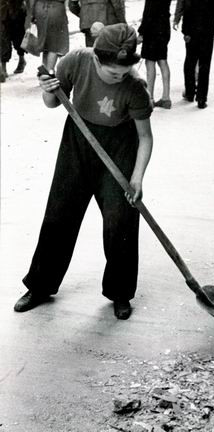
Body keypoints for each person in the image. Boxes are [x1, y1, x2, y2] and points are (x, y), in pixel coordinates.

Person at [13, 23, 154, 321]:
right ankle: (39, 286)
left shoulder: (135, 87)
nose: (120, 77)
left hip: (120, 148)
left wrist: (137, 177)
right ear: (96, 59)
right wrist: (48, 90)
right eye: (113, 72)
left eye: (125, 72)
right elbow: (53, 103)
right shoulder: (76, 61)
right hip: (78, 140)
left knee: (120, 222)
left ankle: (120, 293)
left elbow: (145, 137)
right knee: (59, 215)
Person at [138, 0, 173, 109]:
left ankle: (149, 97)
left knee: (150, 62)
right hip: (164, 28)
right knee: (163, 61)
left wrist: (141, 32)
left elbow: (149, 12)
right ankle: (166, 97)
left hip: (152, 30)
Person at [0, 0, 31, 82]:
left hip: (17, 10)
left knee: (18, 36)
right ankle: (3, 68)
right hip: (1, 11)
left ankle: (22, 59)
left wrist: (26, 2)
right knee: (3, 37)